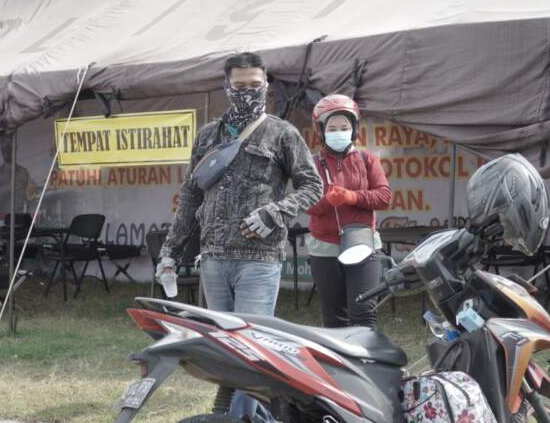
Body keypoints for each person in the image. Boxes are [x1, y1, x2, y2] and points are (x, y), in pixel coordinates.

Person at [156, 52, 322, 421]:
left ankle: (247, 415)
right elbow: (191, 196)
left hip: (259, 258)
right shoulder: (208, 135)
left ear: (267, 86)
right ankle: (232, 413)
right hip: (214, 257)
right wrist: (170, 252)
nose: (248, 92)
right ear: (226, 87)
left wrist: (274, 213)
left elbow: (312, 186)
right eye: (240, 85)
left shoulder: (282, 133)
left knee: (250, 345)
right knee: (225, 346)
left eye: (255, 85)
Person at [306, 94, 392, 328]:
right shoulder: (311, 163)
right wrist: (328, 201)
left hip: (362, 243)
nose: (339, 133)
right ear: (321, 130)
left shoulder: (367, 159)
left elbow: (384, 197)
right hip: (325, 248)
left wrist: (352, 197)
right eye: (332, 128)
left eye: (344, 127)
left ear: (353, 128)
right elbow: (307, 205)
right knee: (335, 318)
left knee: (363, 311)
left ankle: (366, 352)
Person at [0, 132, 36, 222]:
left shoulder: (23, 173)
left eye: (9, 147)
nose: (6, 150)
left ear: (15, 148)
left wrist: (31, 219)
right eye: (4, 147)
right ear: (1, 149)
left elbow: (31, 199)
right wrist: (9, 188)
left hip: (19, 222)